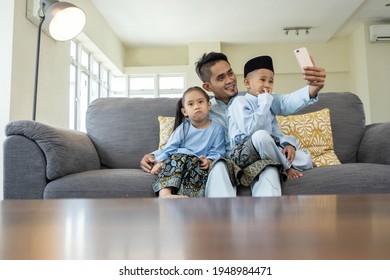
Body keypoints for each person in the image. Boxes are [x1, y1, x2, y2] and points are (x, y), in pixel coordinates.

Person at [141, 51, 326, 197]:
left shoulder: (255, 97)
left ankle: (269, 234)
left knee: (269, 169)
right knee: (220, 166)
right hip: (226, 161)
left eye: (230, 73)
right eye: (221, 78)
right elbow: (185, 140)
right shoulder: (204, 110)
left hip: (259, 156)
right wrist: (154, 155)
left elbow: (285, 104)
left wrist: (313, 88)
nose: (230, 80)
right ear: (208, 86)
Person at [228, 55, 313, 181]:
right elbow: (252, 130)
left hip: (267, 149)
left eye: (270, 81)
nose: (267, 85)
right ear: (247, 83)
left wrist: (289, 144)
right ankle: (285, 167)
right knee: (261, 135)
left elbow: (275, 133)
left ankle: (281, 160)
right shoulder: (239, 102)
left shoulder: (268, 104)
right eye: (262, 80)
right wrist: (264, 103)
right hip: (243, 153)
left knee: (305, 158)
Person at [150, 86, 225, 198]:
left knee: (200, 172)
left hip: (197, 162)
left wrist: (209, 160)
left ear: (209, 105)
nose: (196, 107)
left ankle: (187, 199)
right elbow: (170, 148)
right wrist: (158, 162)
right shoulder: (183, 128)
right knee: (175, 159)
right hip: (179, 159)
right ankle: (165, 194)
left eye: (200, 102)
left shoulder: (217, 128)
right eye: (191, 104)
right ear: (184, 111)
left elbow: (218, 151)